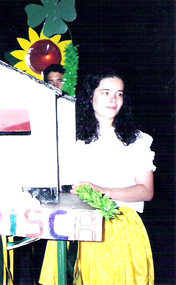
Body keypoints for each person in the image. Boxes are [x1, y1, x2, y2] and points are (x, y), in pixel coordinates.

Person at [40, 69, 155, 284]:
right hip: (72, 227)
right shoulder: (68, 136)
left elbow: (146, 190)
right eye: (105, 92)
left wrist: (103, 191)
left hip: (119, 228)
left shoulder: (137, 140)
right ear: (89, 96)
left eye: (119, 93)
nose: (113, 98)